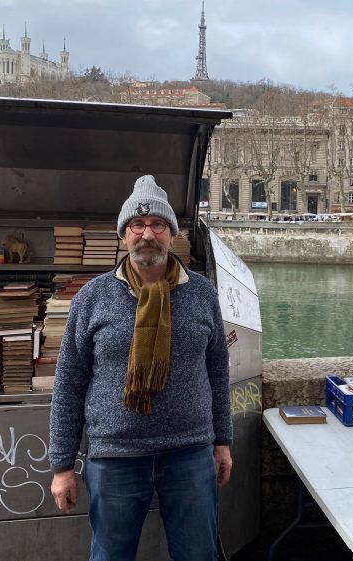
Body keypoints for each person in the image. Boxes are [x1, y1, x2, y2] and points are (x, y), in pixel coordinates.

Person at [48, 175, 233, 561]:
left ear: (171, 235)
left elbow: (217, 371)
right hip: (114, 456)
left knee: (198, 555)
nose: (147, 233)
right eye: (138, 224)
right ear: (124, 234)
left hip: (190, 453)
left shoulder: (202, 293)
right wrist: (62, 465)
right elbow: (69, 383)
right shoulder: (92, 297)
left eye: (158, 225)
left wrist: (222, 441)